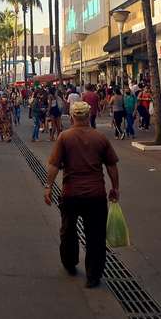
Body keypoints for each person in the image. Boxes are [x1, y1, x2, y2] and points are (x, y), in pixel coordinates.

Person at [44, 101, 120, 288]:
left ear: (71, 117)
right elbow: (111, 165)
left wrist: (48, 186)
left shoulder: (64, 137)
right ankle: (93, 275)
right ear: (88, 116)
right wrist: (115, 187)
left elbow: (54, 165)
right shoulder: (100, 137)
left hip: (71, 194)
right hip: (96, 195)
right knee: (95, 236)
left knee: (68, 231)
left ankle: (70, 263)